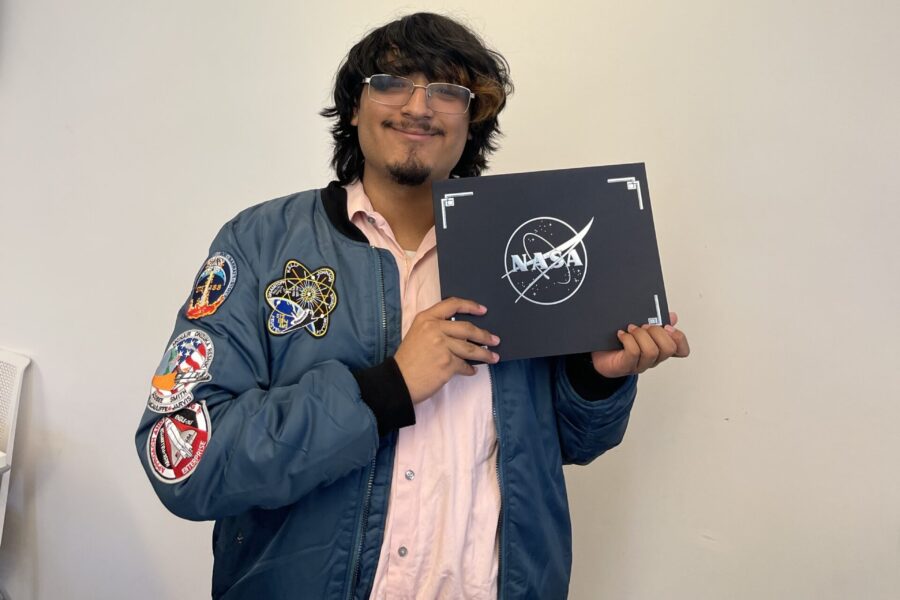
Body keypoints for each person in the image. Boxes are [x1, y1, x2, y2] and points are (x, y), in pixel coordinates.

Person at [135, 12, 689, 600]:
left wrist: (594, 380)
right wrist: (387, 388)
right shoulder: (259, 243)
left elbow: (574, 445)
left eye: (449, 91)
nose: (420, 107)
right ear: (353, 106)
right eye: (393, 81)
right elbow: (184, 458)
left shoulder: (528, 246)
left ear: (471, 121)